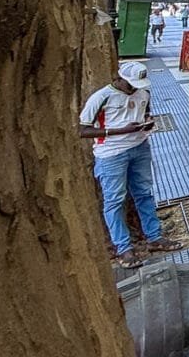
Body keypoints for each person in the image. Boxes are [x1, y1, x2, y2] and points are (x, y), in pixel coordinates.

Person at [78, 62, 182, 268]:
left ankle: (154, 236)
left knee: (144, 192)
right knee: (114, 200)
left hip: (140, 146)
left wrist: (147, 123)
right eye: (130, 84)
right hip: (111, 153)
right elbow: (83, 130)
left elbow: (145, 113)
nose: (134, 88)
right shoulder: (101, 98)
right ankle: (123, 248)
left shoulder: (143, 93)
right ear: (119, 79)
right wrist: (118, 131)